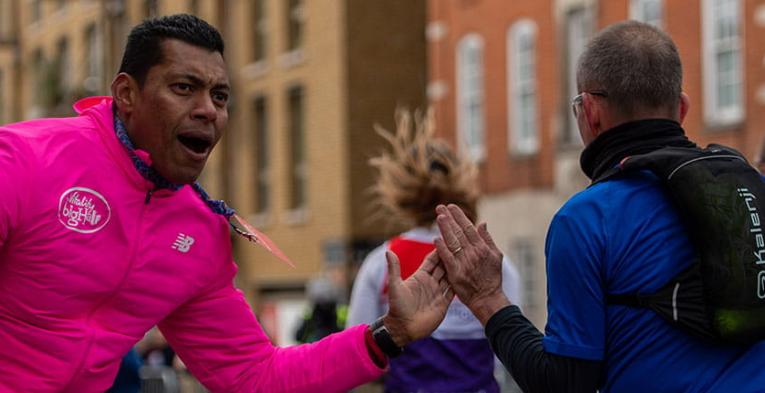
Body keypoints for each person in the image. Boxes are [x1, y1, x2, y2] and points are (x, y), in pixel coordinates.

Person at [0, 14, 454, 392]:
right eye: (184, 88)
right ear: (126, 94)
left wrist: (390, 333)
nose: (208, 110)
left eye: (220, 96)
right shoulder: (25, 160)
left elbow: (255, 375)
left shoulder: (198, 233)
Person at [431, 21, 765, 393]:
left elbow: (564, 384)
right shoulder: (754, 189)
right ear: (682, 108)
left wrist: (486, 297)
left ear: (590, 112)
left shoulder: (587, 219)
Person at [347, 110, 522, 393]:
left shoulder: (382, 262)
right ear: (464, 188)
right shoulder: (494, 263)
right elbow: (512, 353)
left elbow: (358, 349)